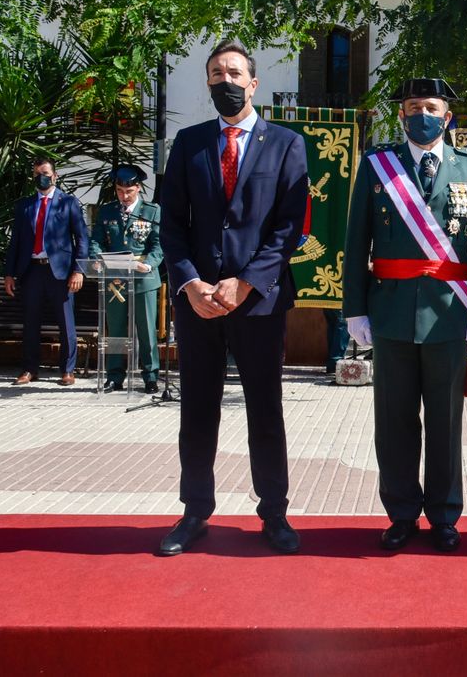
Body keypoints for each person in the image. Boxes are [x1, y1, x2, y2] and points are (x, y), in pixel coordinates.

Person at [157, 39, 309, 557]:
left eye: (235, 73)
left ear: (253, 82)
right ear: (207, 81)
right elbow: (172, 224)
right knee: (198, 410)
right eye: (217, 73)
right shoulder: (189, 143)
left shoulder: (286, 143)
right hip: (198, 302)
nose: (227, 81)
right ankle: (194, 511)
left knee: (265, 410)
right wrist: (189, 282)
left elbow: (289, 227)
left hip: (259, 302)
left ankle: (275, 514)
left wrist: (244, 282)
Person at [344, 77, 467, 554]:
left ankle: (444, 514)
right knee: (393, 421)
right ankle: (401, 513)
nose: (421, 114)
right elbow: (356, 245)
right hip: (390, 313)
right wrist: (355, 310)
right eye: (412, 107)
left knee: (445, 422)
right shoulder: (377, 167)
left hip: (451, 316)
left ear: (447, 116)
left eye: (430, 107)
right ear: (401, 115)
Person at [3, 157, 88, 387]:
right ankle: (29, 369)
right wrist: (9, 273)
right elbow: (16, 242)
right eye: (37, 174)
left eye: (46, 173)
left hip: (59, 272)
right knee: (31, 322)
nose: (42, 177)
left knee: (65, 322)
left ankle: (67, 370)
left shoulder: (68, 202)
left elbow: (81, 238)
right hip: (31, 270)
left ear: (55, 175)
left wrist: (79, 270)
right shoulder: (25, 205)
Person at [89, 165, 163, 393]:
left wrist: (149, 262)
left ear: (138, 188)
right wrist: (95, 258)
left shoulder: (152, 211)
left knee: (147, 329)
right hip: (115, 277)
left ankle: (150, 376)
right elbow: (97, 240)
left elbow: (159, 244)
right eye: (120, 191)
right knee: (116, 329)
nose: (124, 195)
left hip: (143, 277)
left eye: (128, 191)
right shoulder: (107, 211)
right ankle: (114, 376)